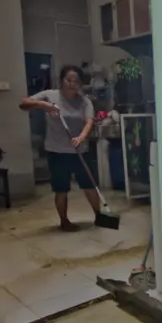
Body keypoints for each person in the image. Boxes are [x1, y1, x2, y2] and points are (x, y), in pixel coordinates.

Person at [19, 65, 100, 231]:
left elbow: (89, 121)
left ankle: (100, 216)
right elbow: (23, 103)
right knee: (61, 188)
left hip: (80, 151)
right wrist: (44, 105)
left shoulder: (85, 102)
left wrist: (82, 137)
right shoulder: (50, 95)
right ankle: (64, 221)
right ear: (62, 80)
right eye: (68, 80)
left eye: (76, 81)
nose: (72, 84)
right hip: (57, 151)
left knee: (90, 185)